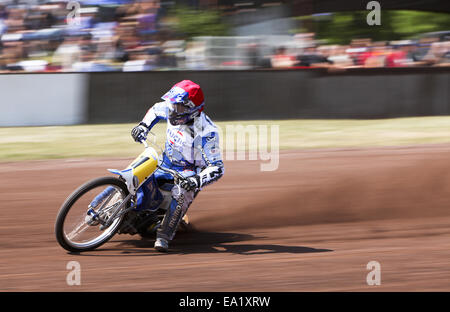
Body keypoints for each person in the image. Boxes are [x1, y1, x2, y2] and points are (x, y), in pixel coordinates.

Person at [131, 80, 224, 252]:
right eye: (173, 104)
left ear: (193, 109)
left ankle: (164, 236)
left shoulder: (207, 132)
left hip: (187, 173)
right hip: (165, 162)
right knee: (137, 168)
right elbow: (154, 110)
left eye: (179, 107)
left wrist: (196, 181)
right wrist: (143, 126)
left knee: (182, 192)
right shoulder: (170, 107)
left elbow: (217, 168)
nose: (173, 110)